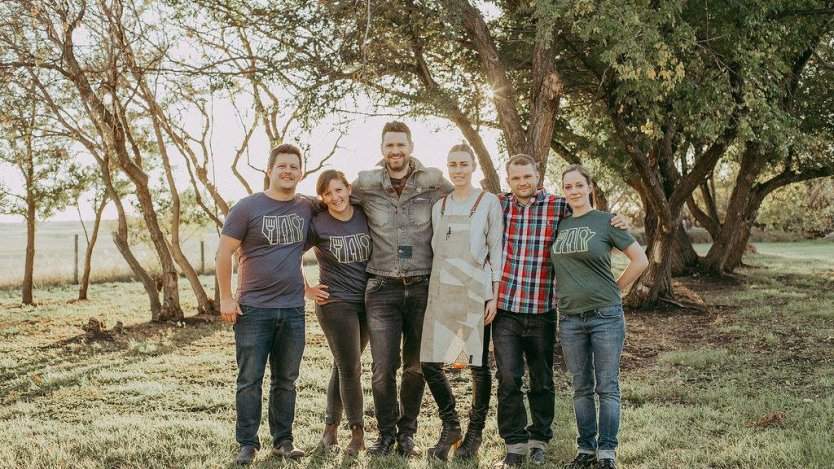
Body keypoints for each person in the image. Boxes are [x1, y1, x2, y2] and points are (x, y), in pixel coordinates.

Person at [493, 154, 628, 468]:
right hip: (506, 308)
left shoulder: (558, 206)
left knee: (542, 380)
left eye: (528, 176)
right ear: (508, 180)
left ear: (537, 176)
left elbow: (589, 216)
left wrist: (617, 219)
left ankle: (540, 440)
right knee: (509, 379)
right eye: (516, 178)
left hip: (543, 309)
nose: (522, 182)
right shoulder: (498, 205)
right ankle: (514, 445)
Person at [350, 121, 454, 457]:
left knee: (415, 367)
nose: (395, 151)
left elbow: (463, 201)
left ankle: (407, 434)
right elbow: (333, 202)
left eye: (400, 145)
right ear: (382, 148)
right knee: (383, 369)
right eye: (389, 145)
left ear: (411, 146)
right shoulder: (365, 183)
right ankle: (385, 435)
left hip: (423, 286)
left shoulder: (433, 180)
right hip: (382, 287)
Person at [216, 144, 313, 466]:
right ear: (269, 170)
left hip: (293, 309)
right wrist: (226, 297)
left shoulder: (306, 207)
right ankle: (247, 443)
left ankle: (283, 441)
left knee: (286, 380)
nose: (288, 171)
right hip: (254, 309)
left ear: (301, 173)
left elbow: (294, 252)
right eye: (282, 165)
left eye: (294, 166)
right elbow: (224, 253)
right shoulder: (247, 207)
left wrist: (308, 288)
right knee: (250, 379)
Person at [553, 165, 648, 469]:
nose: (574, 191)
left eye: (579, 185)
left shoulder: (607, 221)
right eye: (568, 186)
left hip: (605, 316)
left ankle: (606, 452)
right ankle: (585, 450)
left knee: (607, 386)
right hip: (570, 319)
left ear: (590, 187)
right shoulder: (559, 224)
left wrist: (617, 289)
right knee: (581, 387)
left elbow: (640, 259)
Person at [420, 144, 503, 461]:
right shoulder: (439, 207)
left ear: (473, 167)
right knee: (430, 363)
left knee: (477, 366)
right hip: (441, 290)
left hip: (475, 292)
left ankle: (475, 434)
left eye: (463, 164)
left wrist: (493, 294)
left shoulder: (488, 202)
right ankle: (451, 425)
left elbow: (496, 250)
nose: (458, 170)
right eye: (453, 164)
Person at [304, 169, 372, 457]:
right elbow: (291, 253)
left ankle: (330, 429)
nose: (335, 197)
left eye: (339, 190)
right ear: (322, 197)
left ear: (348, 189)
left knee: (343, 365)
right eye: (328, 193)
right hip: (335, 303)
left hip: (367, 302)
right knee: (351, 367)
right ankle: (357, 434)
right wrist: (306, 288)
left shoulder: (363, 214)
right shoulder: (318, 223)